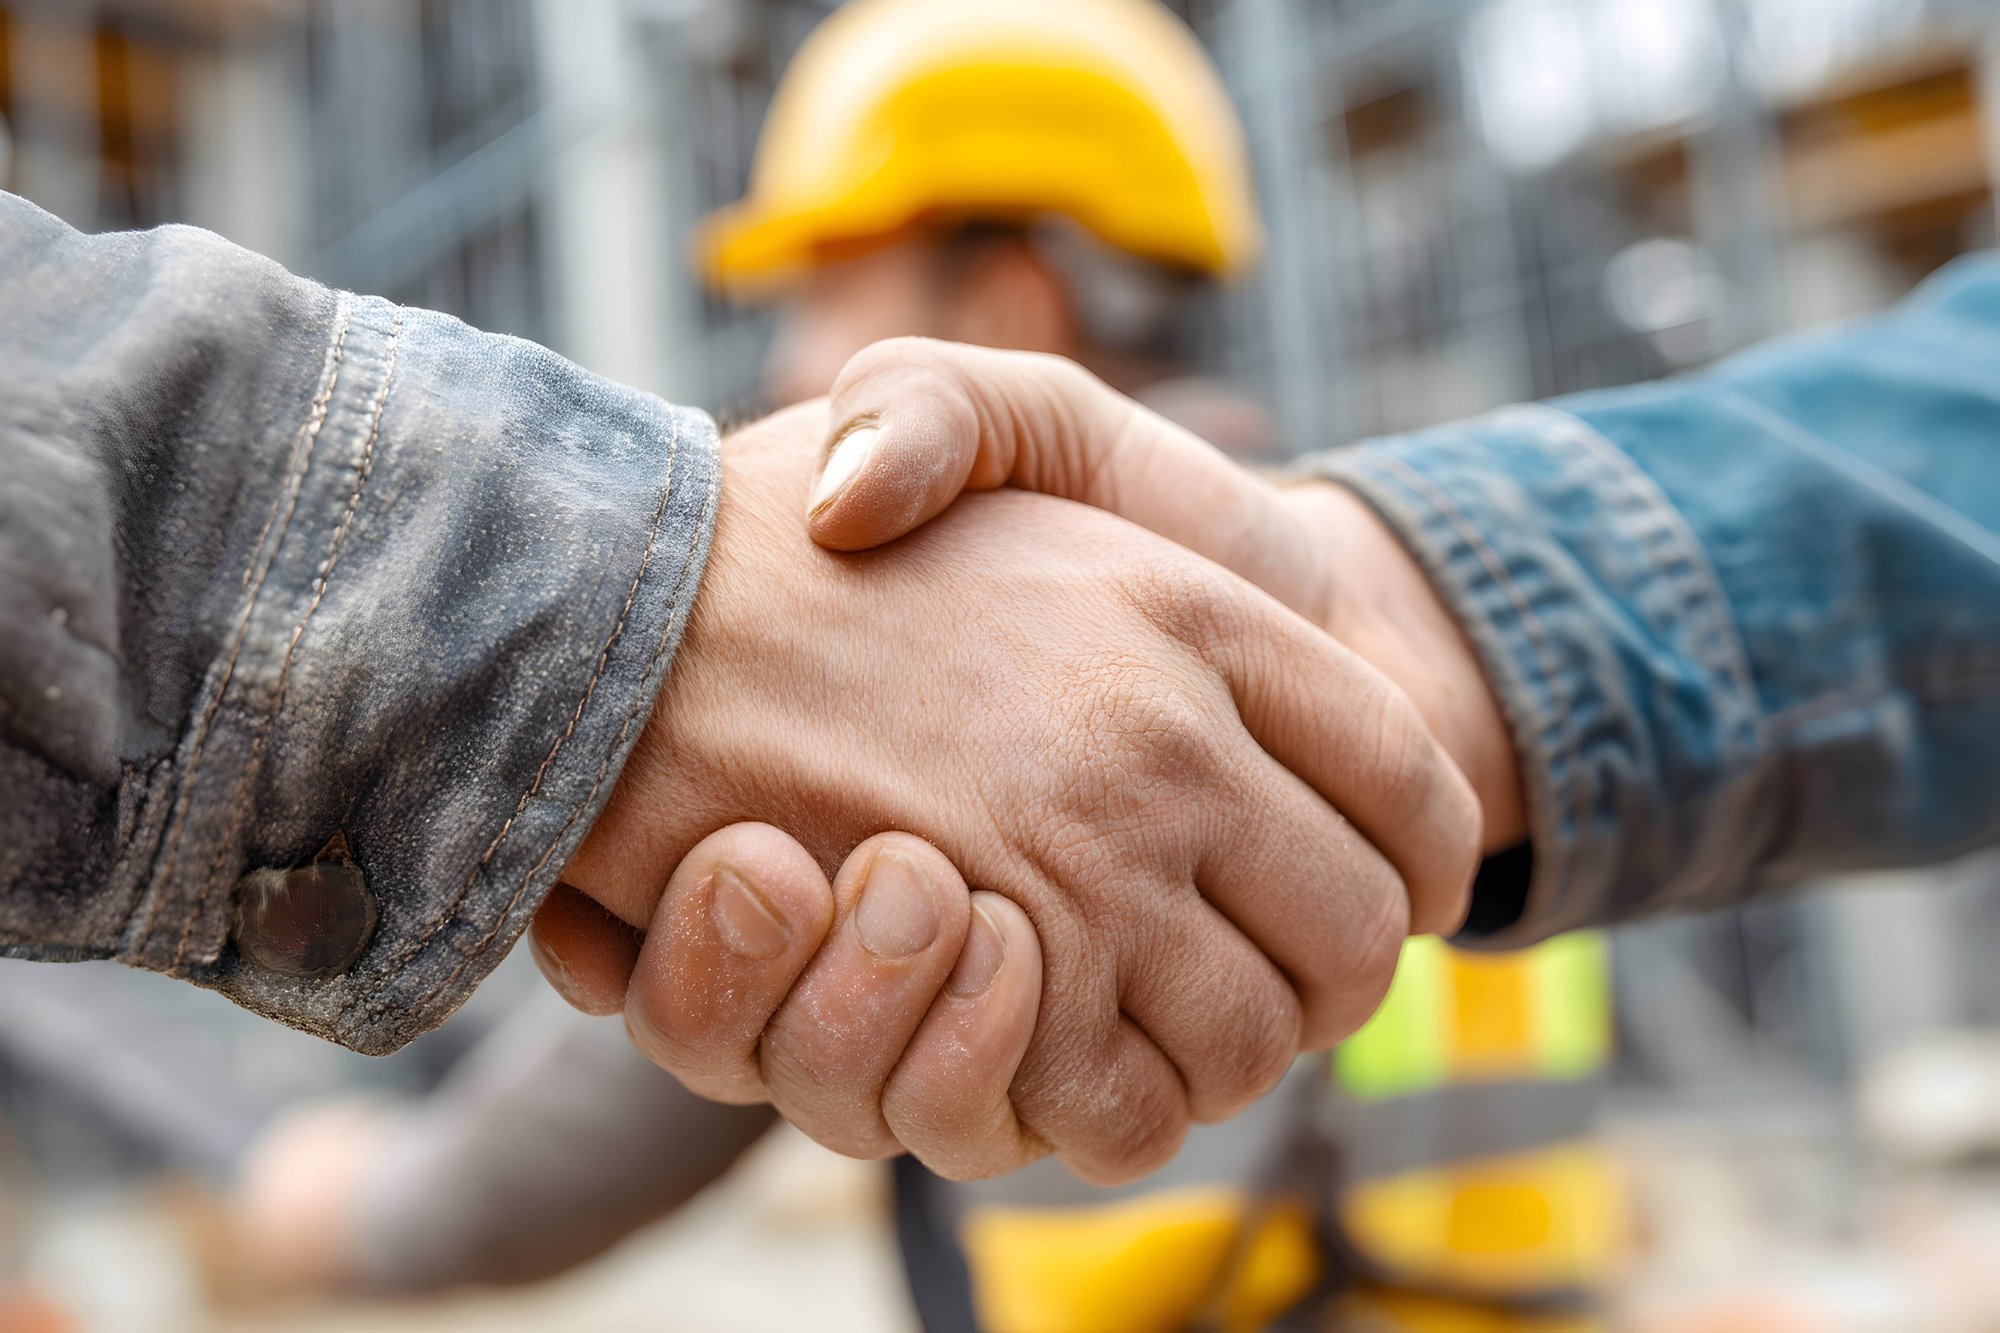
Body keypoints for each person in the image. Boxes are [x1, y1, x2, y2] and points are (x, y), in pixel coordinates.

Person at [226, 2, 1619, 1326]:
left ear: (1005, 313)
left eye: (828, 288)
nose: (787, 357)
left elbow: (587, 1141)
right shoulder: (1397, 599)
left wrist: (348, 1207)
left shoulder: (976, 668)